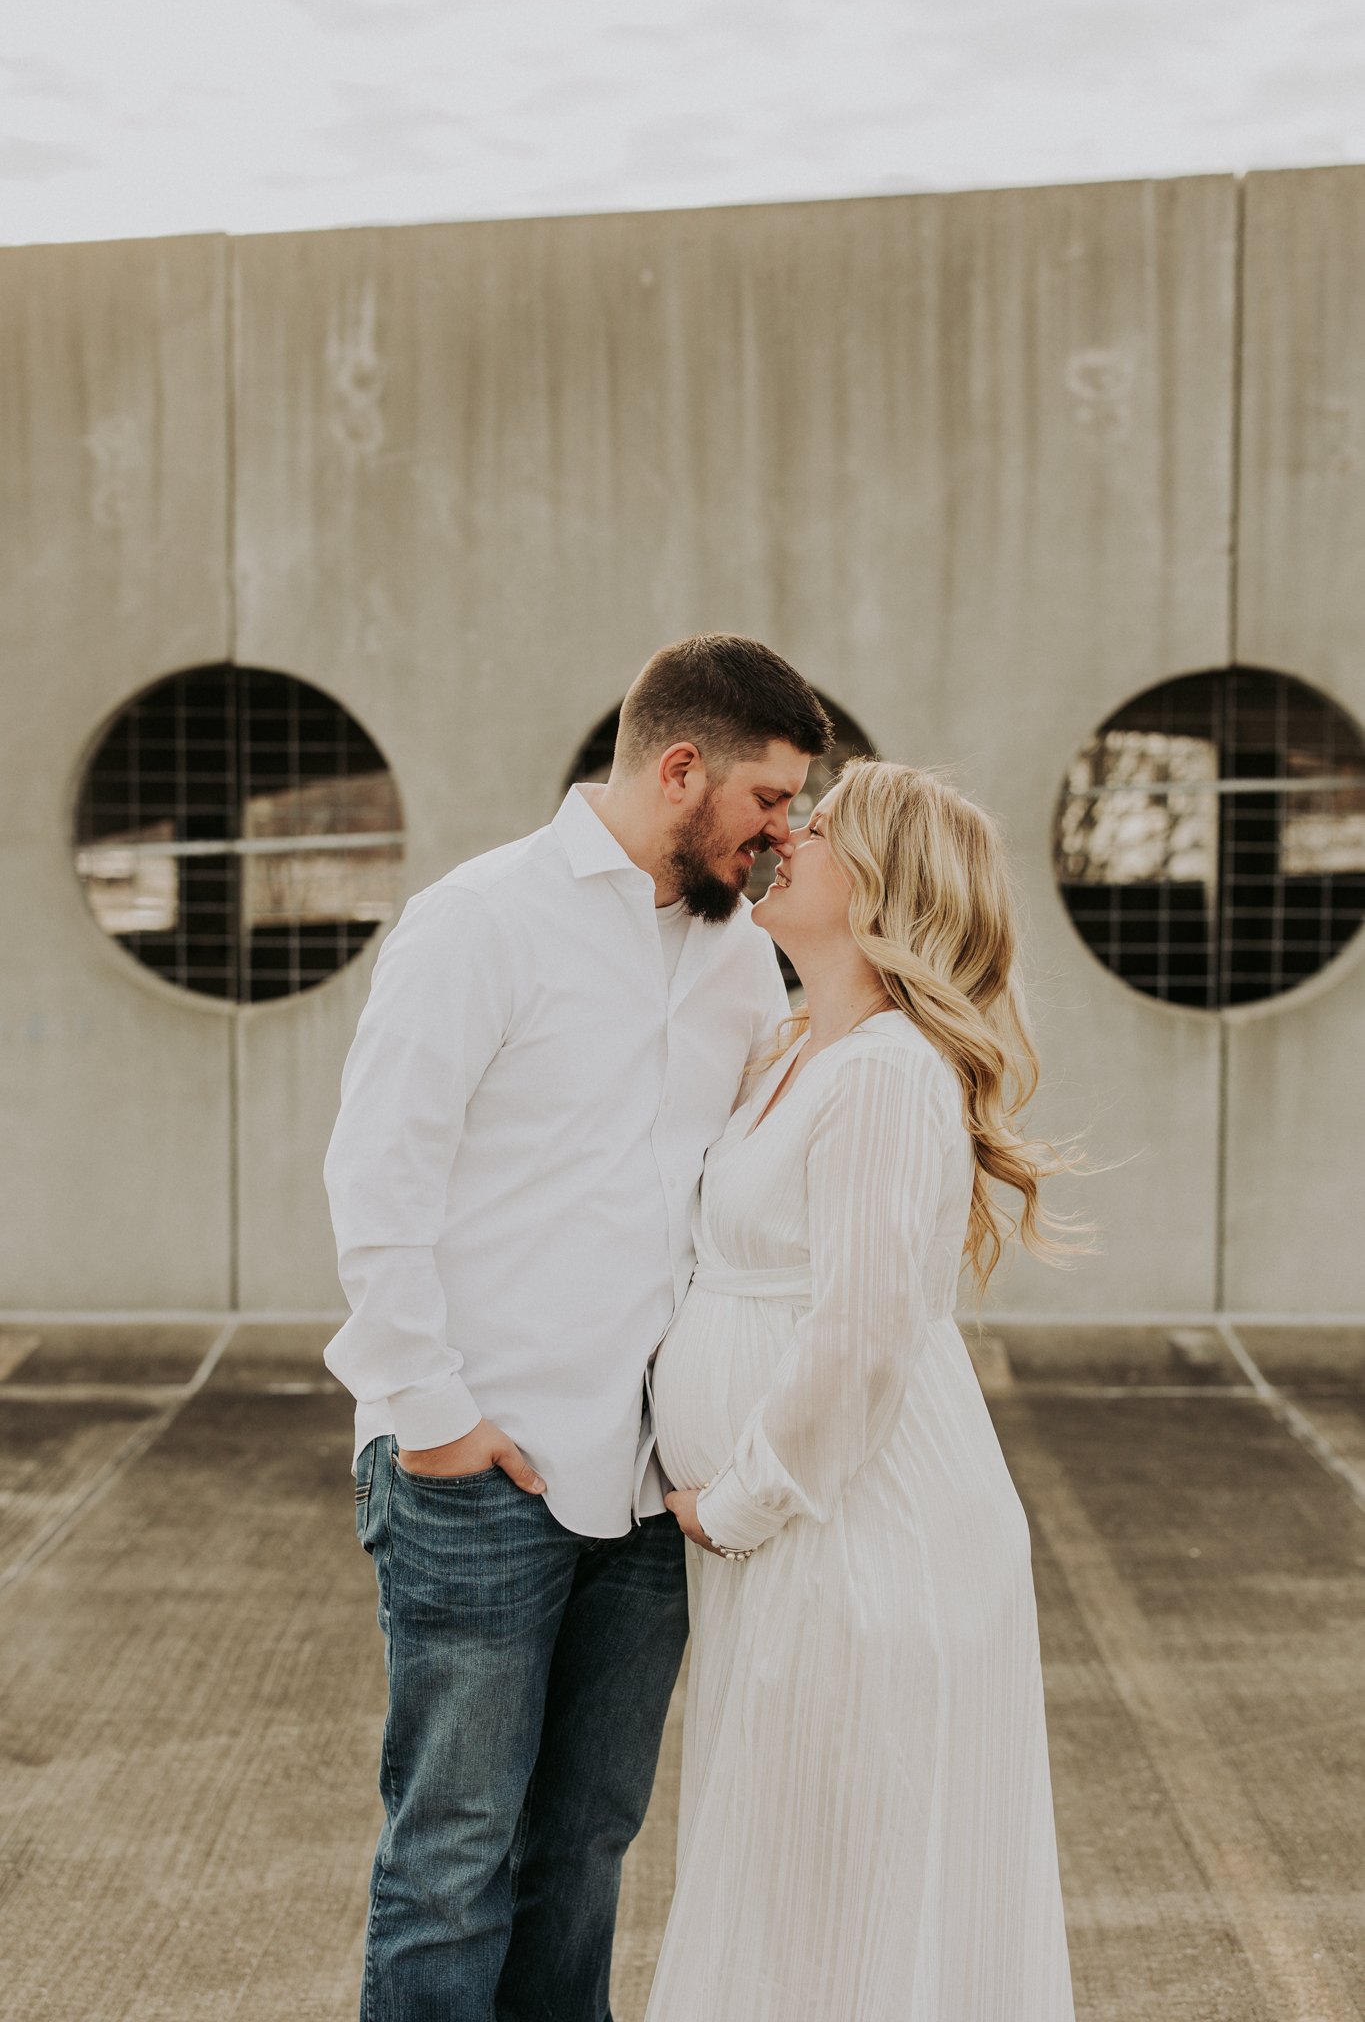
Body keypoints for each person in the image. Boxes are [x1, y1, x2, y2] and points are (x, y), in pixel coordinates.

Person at [322, 632, 833, 2022]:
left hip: (650, 1486)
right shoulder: (478, 921)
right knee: (451, 1859)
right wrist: (432, 1421)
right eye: (772, 801)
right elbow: (377, 1181)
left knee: (587, 1851)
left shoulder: (738, 966)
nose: (787, 833)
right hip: (481, 1472)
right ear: (682, 769)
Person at [647, 760, 1078, 2022]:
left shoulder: (887, 1071)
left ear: (876, 880)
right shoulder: (791, 1047)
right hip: (789, 1539)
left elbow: (864, 1336)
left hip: (854, 1533)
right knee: (797, 1882)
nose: (785, 834)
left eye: (817, 826)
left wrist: (740, 1500)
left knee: (845, 1888)